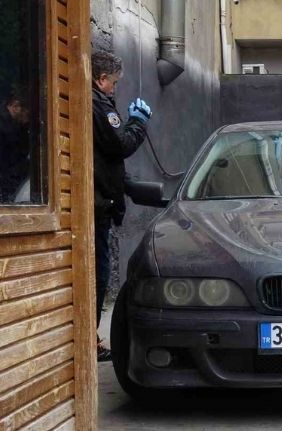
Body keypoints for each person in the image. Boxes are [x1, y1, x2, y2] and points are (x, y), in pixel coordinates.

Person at [91, 50, 153, 361]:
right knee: (99, 274)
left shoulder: (91, 101)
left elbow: (105, 159)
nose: (114, 89)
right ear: (102, 79)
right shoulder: (98, 104)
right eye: (113, 83)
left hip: (100, 198)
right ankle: (91, 340)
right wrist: (138, 123)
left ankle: (89, 338)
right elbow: (120, 145)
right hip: (98, 205)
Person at [0, 89, 31, 202]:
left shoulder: (11, 126)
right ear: (15, 106)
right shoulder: (7, 130)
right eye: (27, 112)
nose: (28, 118)